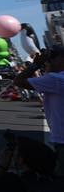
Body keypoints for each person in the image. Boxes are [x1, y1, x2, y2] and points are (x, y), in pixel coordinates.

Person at [15, 45, 64, 177]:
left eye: (52, 58)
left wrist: (36, 64)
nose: (49, 61)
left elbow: (19, 81)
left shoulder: (56, 79)